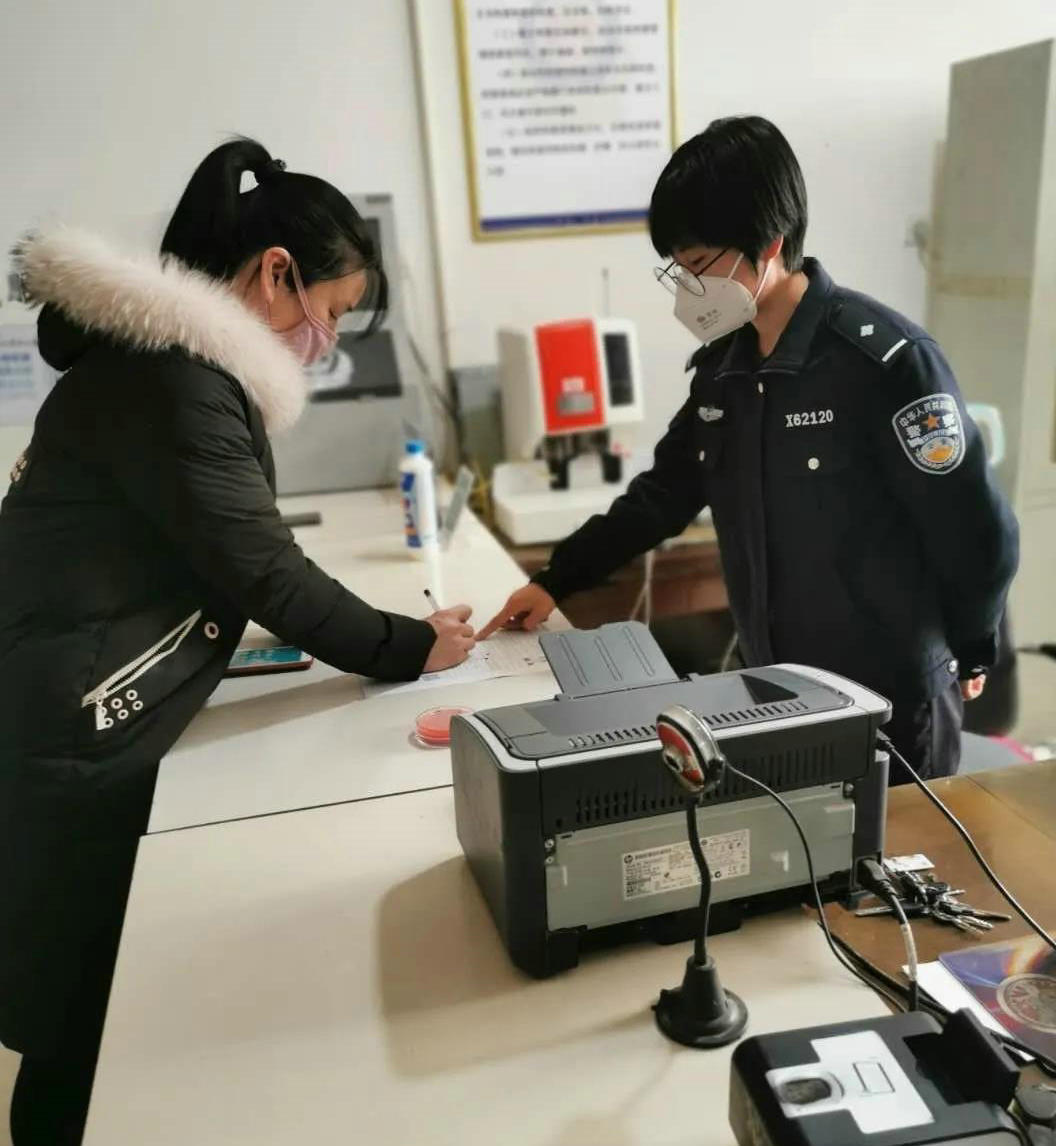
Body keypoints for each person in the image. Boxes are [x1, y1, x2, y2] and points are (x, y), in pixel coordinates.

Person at [0, 138, 474, 1146]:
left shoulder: (165, 363)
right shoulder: (174, 379)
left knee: (88, 1008)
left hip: (70, 695)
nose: (324, 341)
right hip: (75, 726)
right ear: (275, 273)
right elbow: (267, 572)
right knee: (81, 1024)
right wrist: (409, 646)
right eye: (330, 312)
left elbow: (227, 552)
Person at [481, 115, 1018, 783]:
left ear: (769, 244)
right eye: (677, 267)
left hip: (889, 702)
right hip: (777, 690)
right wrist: (555, 579)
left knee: (903, 849)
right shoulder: (725, 370)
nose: (688, 284)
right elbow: (662, 496)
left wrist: (973, 645)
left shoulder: (883, 362)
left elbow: (976, 527)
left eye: (699, 264)